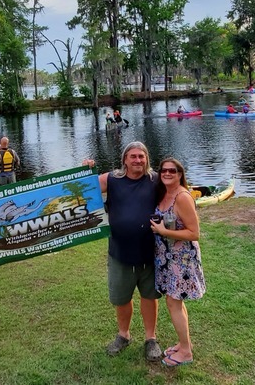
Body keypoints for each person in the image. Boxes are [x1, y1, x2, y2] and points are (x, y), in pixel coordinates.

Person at [81, 142, 163, 362]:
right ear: (124, 159)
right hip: (120, 252)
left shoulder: (156, 179)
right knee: (121, 299)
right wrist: (86, 170)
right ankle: (124, 335)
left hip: (150, 252)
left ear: (147, 159)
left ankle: (151, 339)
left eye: (142, 156)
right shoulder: (112, 179)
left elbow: (178, 189)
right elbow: (84, 188)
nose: (138, 160)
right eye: (133, 156)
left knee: (149, 296)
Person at [150, 157, 205, 367]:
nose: (167, 173)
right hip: (166, 256)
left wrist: (164, 231)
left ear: (180, 174)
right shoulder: (164, 193)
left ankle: (186, 352)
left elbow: (194, 233)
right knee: (175, 302)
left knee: (173, 302)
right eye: (163, 170)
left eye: (172, 171)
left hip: (181, 259)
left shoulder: (182, 197)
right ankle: (183, 345)